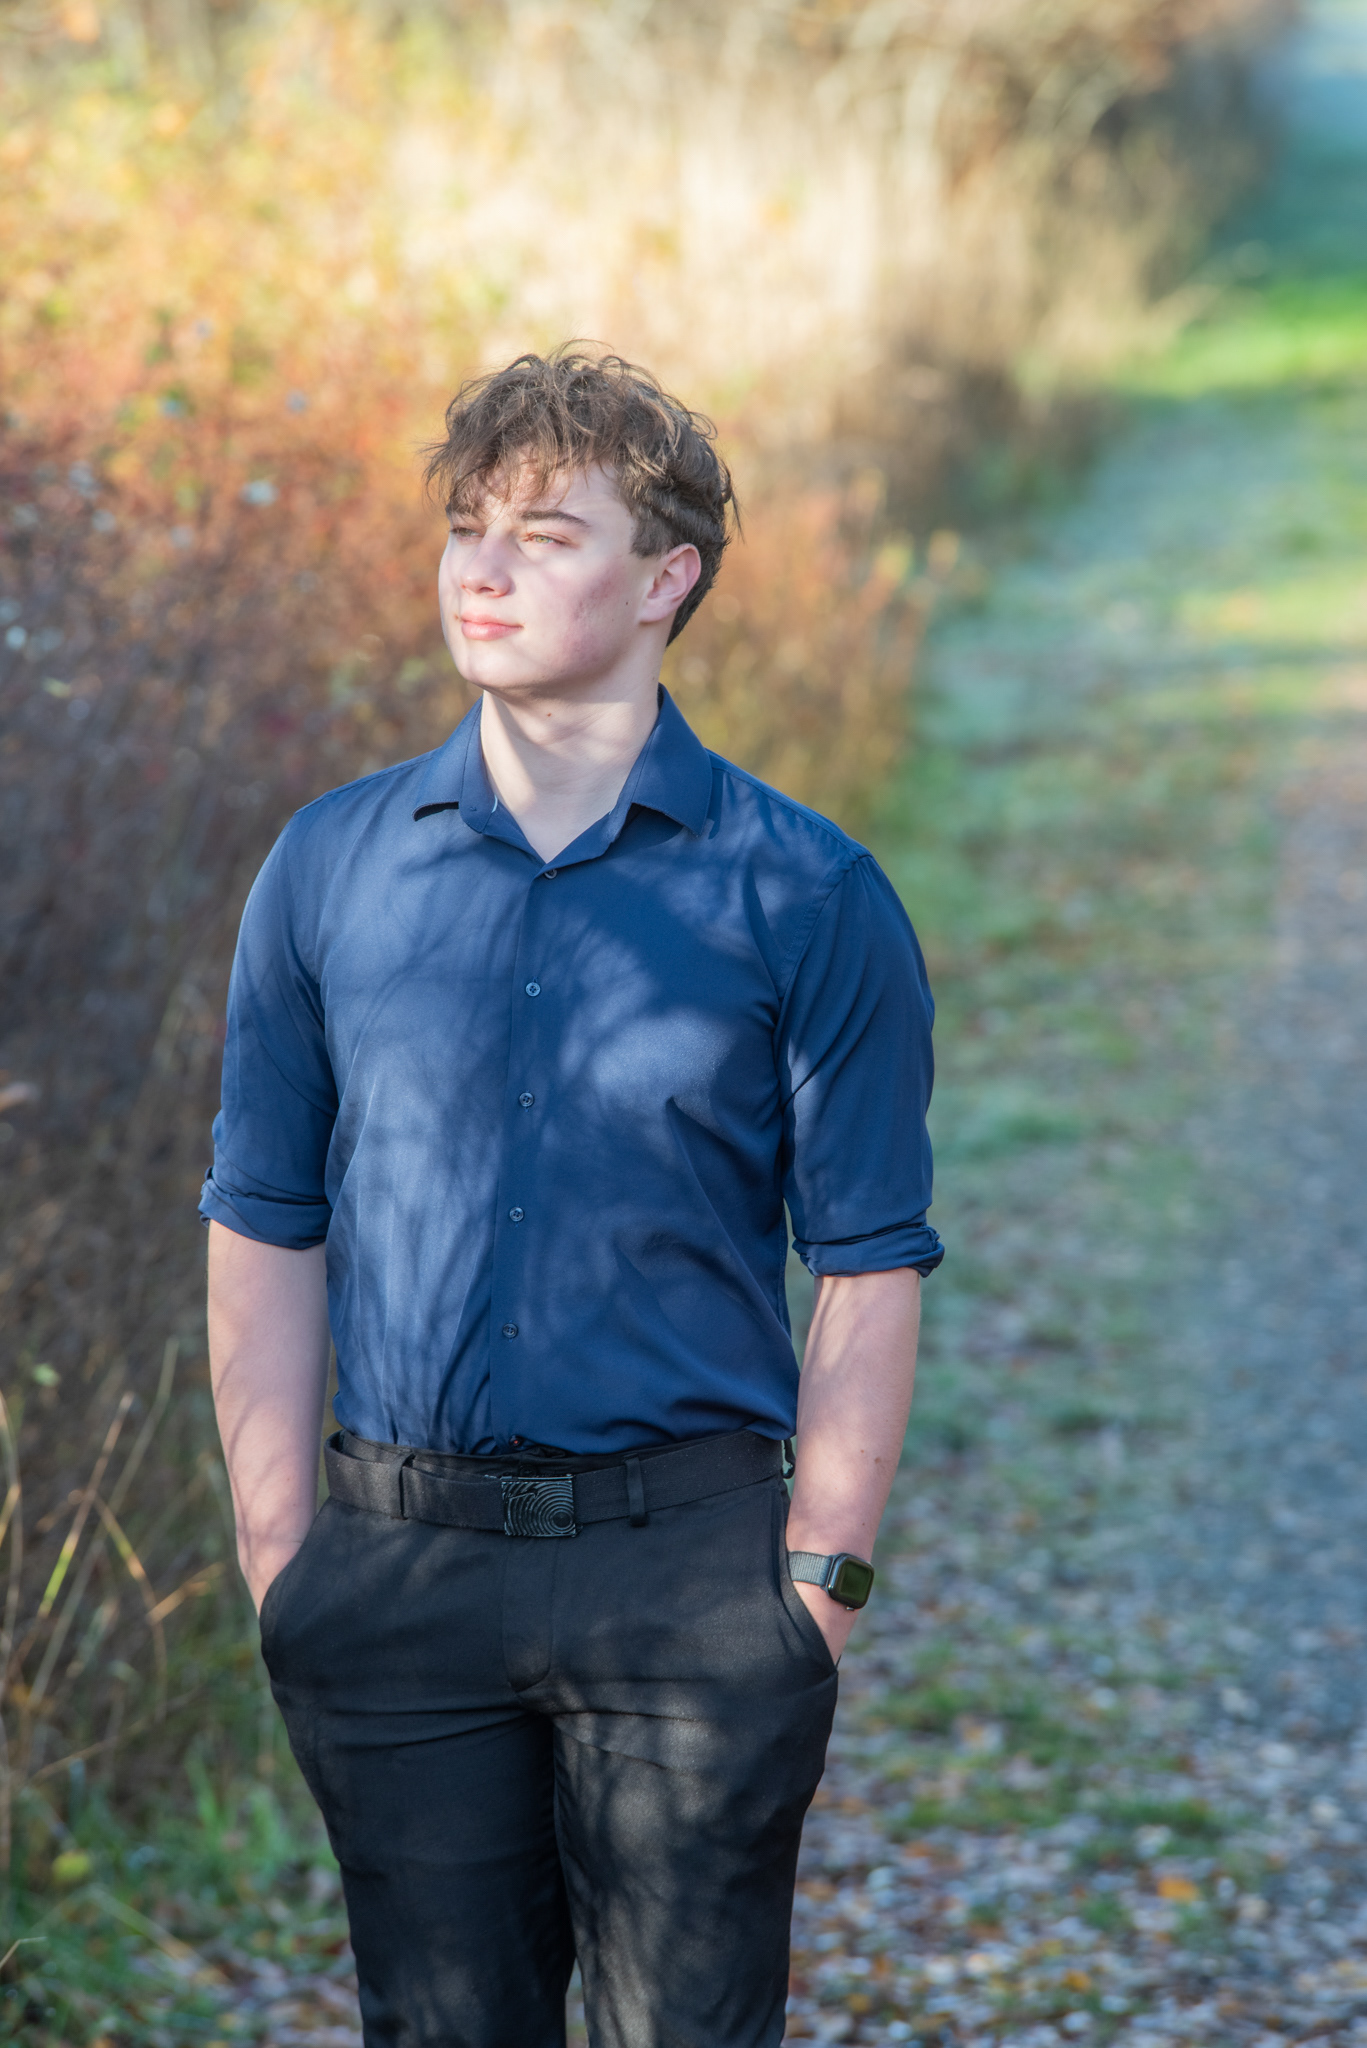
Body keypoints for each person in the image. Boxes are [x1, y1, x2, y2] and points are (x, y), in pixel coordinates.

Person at [202, 346, 942, 2048]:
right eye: (467, 526)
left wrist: (819, 1585)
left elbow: (868, 1262)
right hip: (394, 1578)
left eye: (545, 533)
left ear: (667, 577)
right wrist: (280, 1554)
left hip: (692, 1583)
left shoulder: (806, 893)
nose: (484, 568)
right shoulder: (328, 868)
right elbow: (262, 1218)